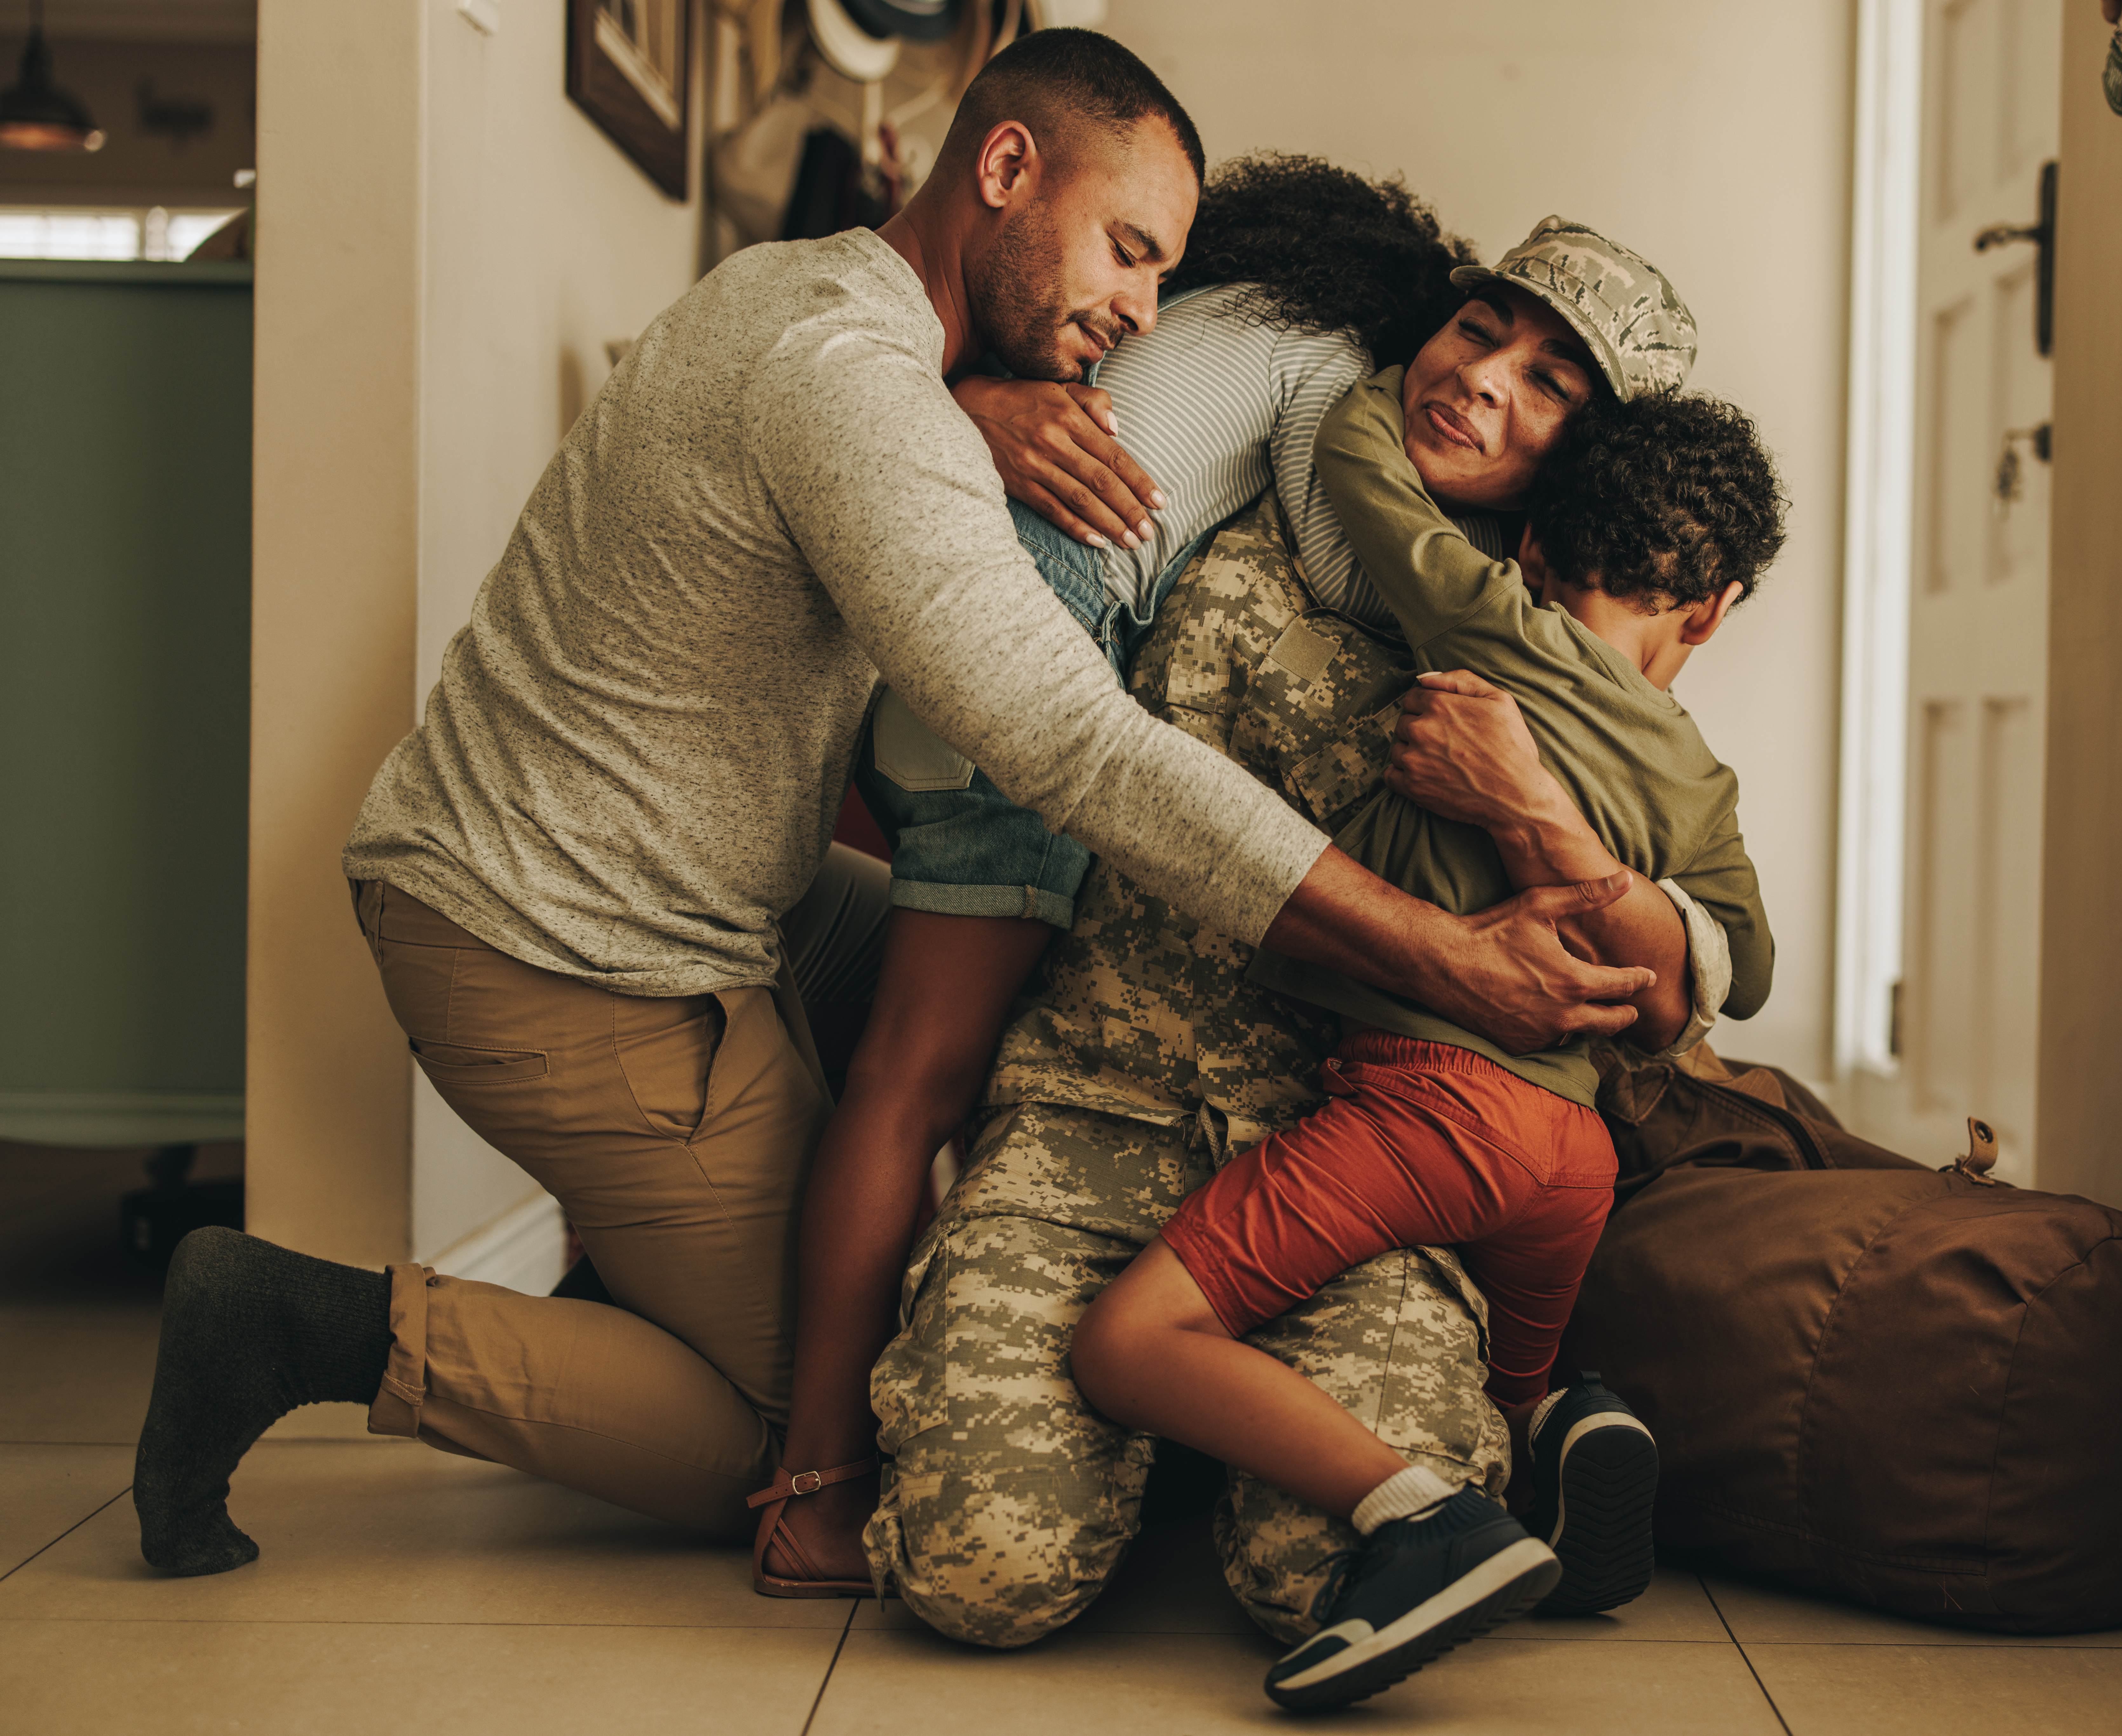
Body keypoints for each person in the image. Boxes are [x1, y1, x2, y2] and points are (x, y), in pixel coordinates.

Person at [128, 31, 1651, 1580]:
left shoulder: (813, 296)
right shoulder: (850, 381)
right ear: (1002, 169)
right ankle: (302, 1326)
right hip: (561, 950)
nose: (1137, 314)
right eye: (1126, 254)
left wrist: (974, 402)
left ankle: (689, 1270)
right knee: (834, 1414)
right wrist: (1436, 955)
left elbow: (863, 429)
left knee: (1013, 1002)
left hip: (716, 895)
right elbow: (1074, 740)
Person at [848, 224, 1775, 1657]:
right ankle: (1161, 1444)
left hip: (1354, 1154)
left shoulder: (1539, 643)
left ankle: (1287, 1448)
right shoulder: (1229, 485)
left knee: (1325, 1572)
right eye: (1477, 333)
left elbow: (1680, 984)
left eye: (1549, 387)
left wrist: (1532, 807)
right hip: (1093, 1108)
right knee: (982, 1572)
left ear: (1590, 467)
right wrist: (982, 402)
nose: (1478, 384)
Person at [754, 154, 1517, 1596]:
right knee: (919, 1080)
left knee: (900, 1083)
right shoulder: (1326, 365)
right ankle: (821, 1483)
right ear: (1403, 311)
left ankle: (845, 1455)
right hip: (1029, 676)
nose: (1462, 388)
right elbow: (1334, 538)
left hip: (918, 682)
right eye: (1461, 341)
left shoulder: (1185, 323)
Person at [1071, 293, 1787, 1712]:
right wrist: (1624, 891)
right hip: (1571, 1165)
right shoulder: (1699, 779)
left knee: (1126, 1341)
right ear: (1712, 609)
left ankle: (1425, 1519)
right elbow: (1740, 970)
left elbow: (1355, 456)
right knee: (1503, 1388)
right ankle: (1554, 1432)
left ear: (1525, 541)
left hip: (1432, 1106)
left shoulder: (1490, 621)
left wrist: (1403, 355)